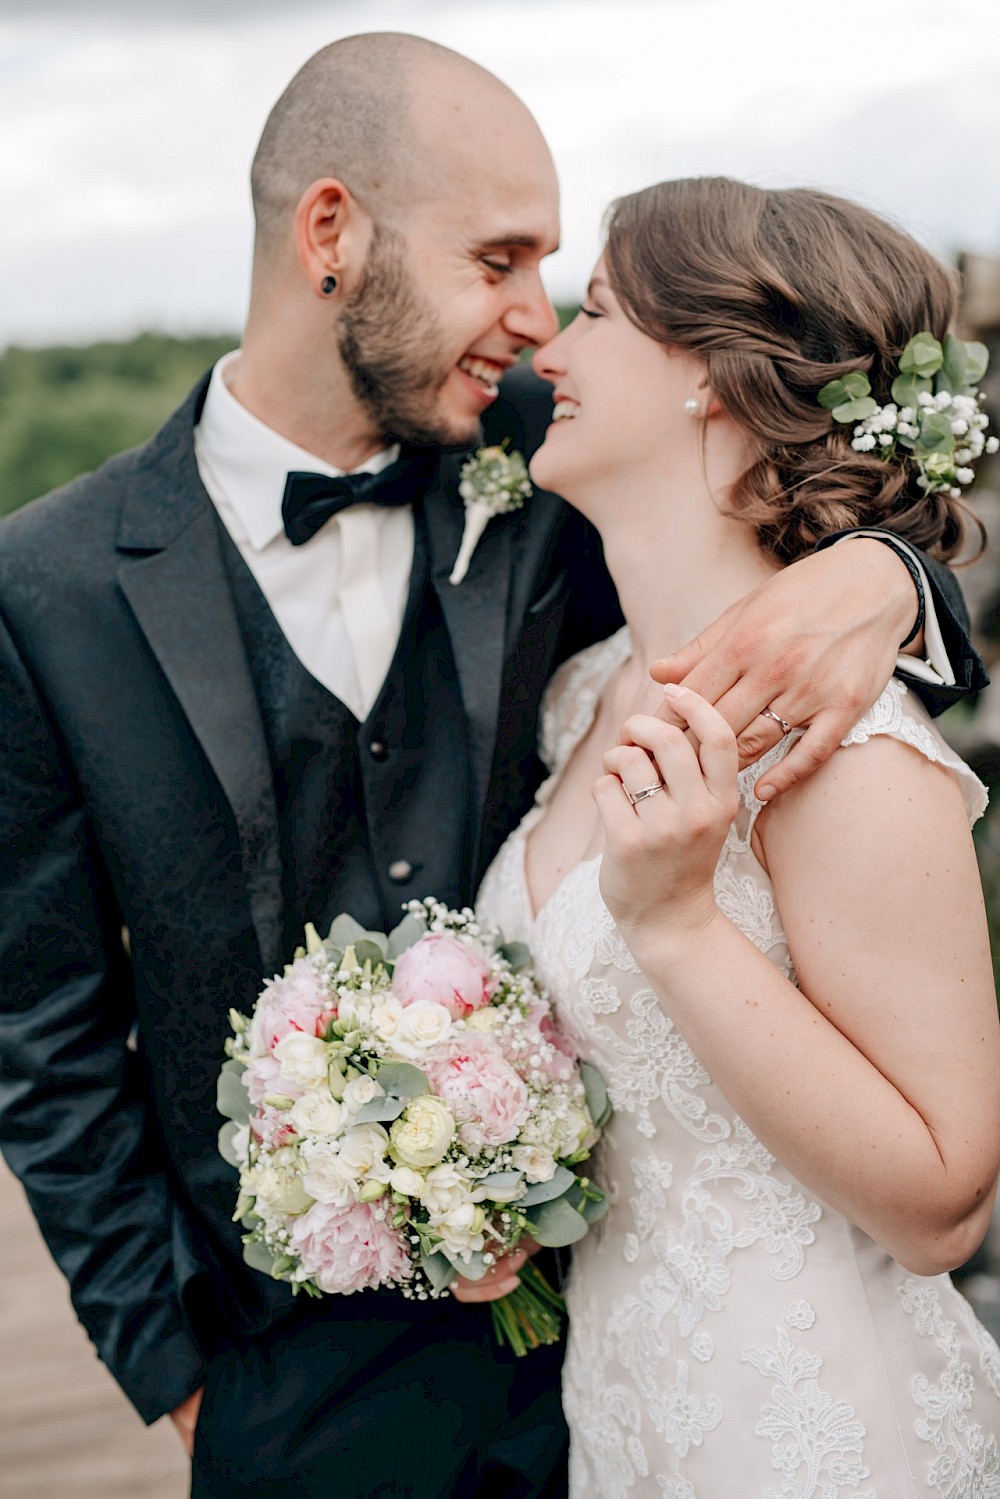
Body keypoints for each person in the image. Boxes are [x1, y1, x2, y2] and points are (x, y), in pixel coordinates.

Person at [0, 34, 983, 1499]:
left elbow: (806, 462)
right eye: (502, 258)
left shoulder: (551, 460)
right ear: (332, 233)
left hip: (630, 1374)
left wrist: (888, 576)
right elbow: (47, 1031)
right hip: (298, 1393)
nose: (535, 323)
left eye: (565, 281)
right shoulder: (50, 584)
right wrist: (176, 1375)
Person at [474, 177, 1000, 1496]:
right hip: (631, 1411)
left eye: (594, 309)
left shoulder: (847, 748)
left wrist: (677, 925)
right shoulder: (587, 690)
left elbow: (947, 1200)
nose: (551, 351)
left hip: (814, 1431)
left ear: (711, 374)